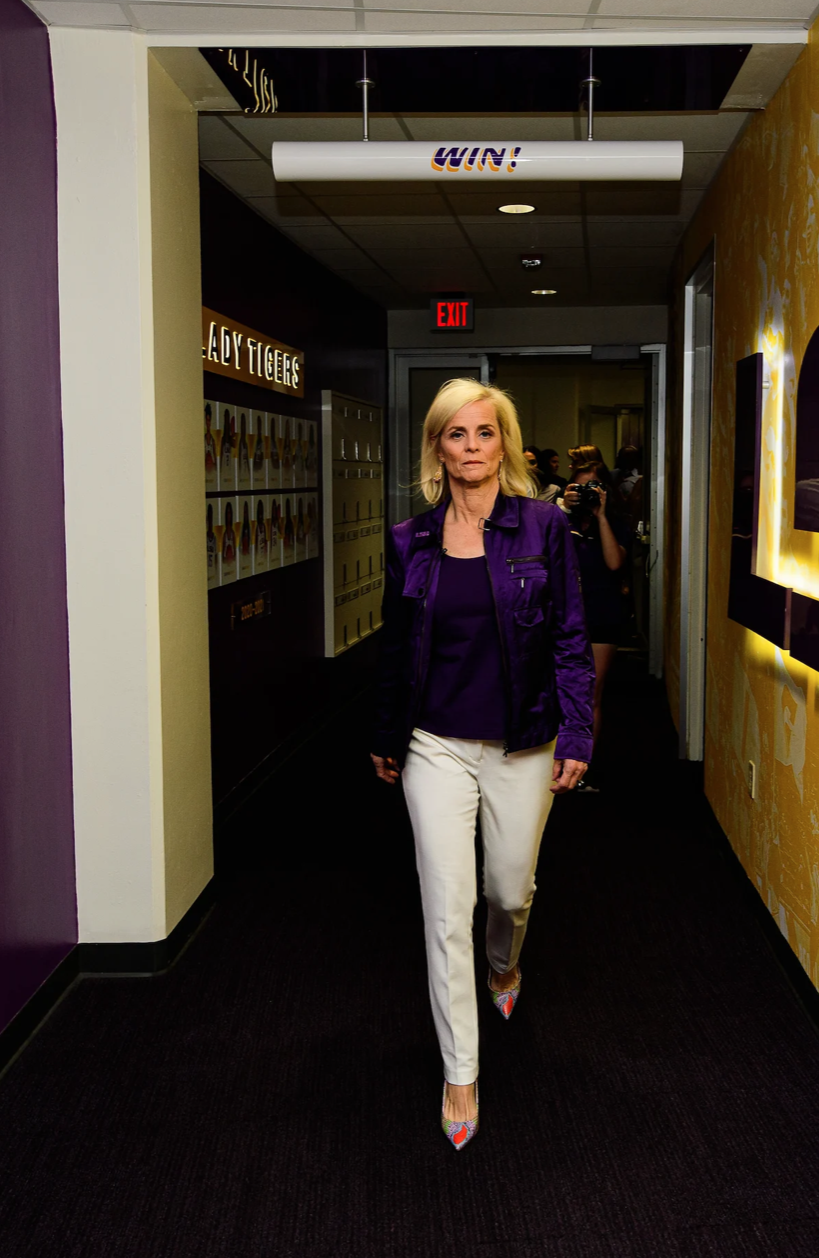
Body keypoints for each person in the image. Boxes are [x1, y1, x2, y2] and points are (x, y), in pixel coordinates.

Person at [371, 379, 595, 1150]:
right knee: (445, 907)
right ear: (437, 447)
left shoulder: (544, 529)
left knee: (508, 886)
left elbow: (569, 634)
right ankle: (460, 1070)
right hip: (434, 744)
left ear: (506, 443)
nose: (471, 447)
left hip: (523, 743)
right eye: (456, 434)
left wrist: (578, 733)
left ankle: (507, 965)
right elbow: (395, 647)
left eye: (485, 433)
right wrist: (386, 733)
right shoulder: (409, 541)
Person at [563, 446, 633, 775]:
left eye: (594, 486)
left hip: (604, 612)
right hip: (564, 614)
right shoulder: (558, 521)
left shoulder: (617, 522)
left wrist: (601, 516)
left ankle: (582, 765)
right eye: (580, 487)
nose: (588, 493)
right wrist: (563, 508)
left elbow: (614, 562)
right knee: (560, 689)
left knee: (591, 693)